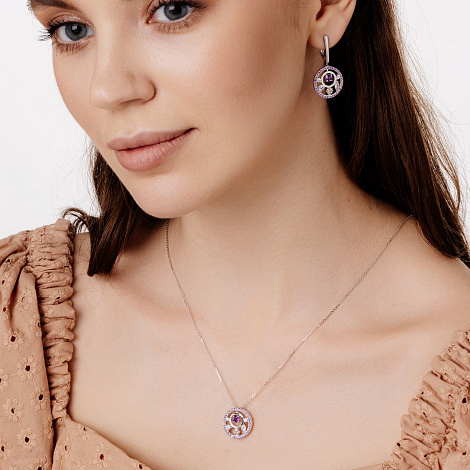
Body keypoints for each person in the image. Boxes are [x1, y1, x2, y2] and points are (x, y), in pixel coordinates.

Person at [1, 0, 470, 468]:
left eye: (173, 10)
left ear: (324, 7)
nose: (107, 89)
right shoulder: (18, 319)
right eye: (72, 29)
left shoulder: (456, 394)